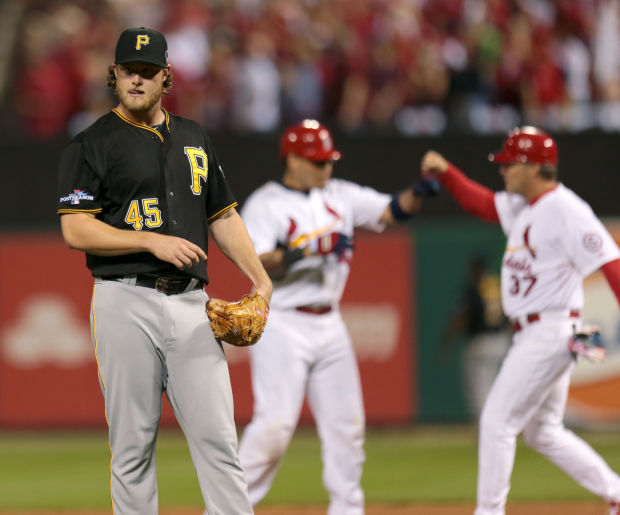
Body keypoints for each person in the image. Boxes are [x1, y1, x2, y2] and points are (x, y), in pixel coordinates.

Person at [56, 27, 272, 514]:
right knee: (133, 447)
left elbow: (223, 214)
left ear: (166, 77)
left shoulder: (195, 137)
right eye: (128, 70)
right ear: (114, 74)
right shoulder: (90, 144)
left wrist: (262, 280)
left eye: (147, 72)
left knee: (220, 441)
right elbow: (76, 229)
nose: (137, 79)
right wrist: (148, 240)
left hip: (193, 305)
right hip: (124, 299)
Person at [237, 119, 436, 514]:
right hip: (283, 322)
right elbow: (255, 263)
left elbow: (391, 210)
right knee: (274, 429)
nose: (327, 167)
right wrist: (308, 250)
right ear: (292, 160)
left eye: (329, 160)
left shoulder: (340, 194)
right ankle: (228, 508)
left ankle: (348, 509)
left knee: (348, 429)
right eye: (318, 160)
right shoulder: (265, 203)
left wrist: (420, 189)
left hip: (330, 322)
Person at [421, 126, 620, 515]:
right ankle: (616, 492)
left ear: (533, 166)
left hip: (550, 329)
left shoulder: (567, 210)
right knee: (542, 432)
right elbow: (479, 203)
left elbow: (611, 265)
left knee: (497, 420)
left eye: (510, 163)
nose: (503, 170)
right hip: (540, 331)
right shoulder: (523, 207)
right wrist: (446, 172)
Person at [440, 255, 511, 419]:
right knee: (496, 388)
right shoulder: (496, 285)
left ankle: (488, 428)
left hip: (480, 343)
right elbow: (509, 314)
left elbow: (461, 316)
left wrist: (447, 342)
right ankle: (500, 423)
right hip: (501, 341)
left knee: (480, 392)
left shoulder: (474, 287)